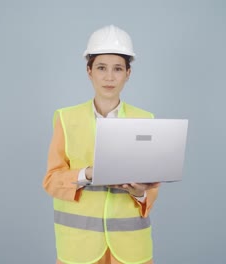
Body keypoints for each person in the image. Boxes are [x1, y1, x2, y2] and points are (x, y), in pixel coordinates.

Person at [43, 25, 160, 264]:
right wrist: (88, 174)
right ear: (89, 71)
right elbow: (51, 181)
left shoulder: (145, 120)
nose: (109, 77)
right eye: (101, 68)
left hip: (131, 249)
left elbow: (151, 190)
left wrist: (139, 192)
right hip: (79, 247)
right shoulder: (66, 119)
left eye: (118, 69)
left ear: (128, 73)